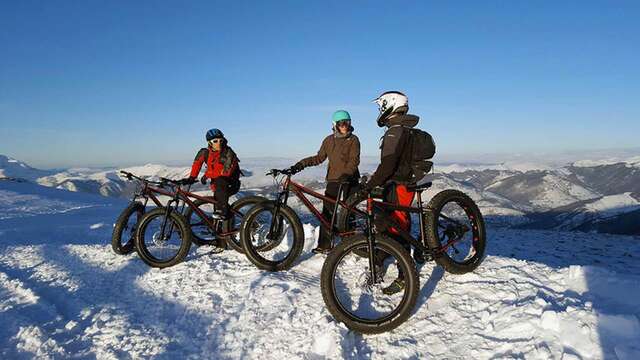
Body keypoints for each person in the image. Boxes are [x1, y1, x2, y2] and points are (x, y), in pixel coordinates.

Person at [363, 91, 426, 294]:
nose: (380, 110)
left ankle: (405, 276)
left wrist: (370, 185)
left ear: (390, 105)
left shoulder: (395, 129)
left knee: (398, 226)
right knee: (386, 222)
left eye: (381, 105)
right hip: (398, 182)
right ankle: (382, 259)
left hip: (399, 184)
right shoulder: (401, 127)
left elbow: (388, 163)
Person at [289, 110, 361, 254]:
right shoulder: (328, 140)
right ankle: (325, 245)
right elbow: (319, 158)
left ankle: (351, 243)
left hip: (350, 179)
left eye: (347, 122)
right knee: (327, 212)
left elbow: (354, 160)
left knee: (349, 211)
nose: (345, 126)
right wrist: (300, 164)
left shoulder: (354, 139)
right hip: (334, 179)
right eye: (341, 123)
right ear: (335, 125)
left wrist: (346, 175)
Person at [188, 128, 241, 220]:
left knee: (220, 184)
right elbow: (197, 163)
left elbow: (226, 173)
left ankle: (223, 213)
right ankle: (219, 228)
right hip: (217, 185)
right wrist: (192, 177)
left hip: (230, 183)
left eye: (221, 140)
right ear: (209, 142)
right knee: (217, 204)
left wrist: (207, 175)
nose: (219, 143)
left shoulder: (229, 153)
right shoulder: (205, 153)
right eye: (215, 141)